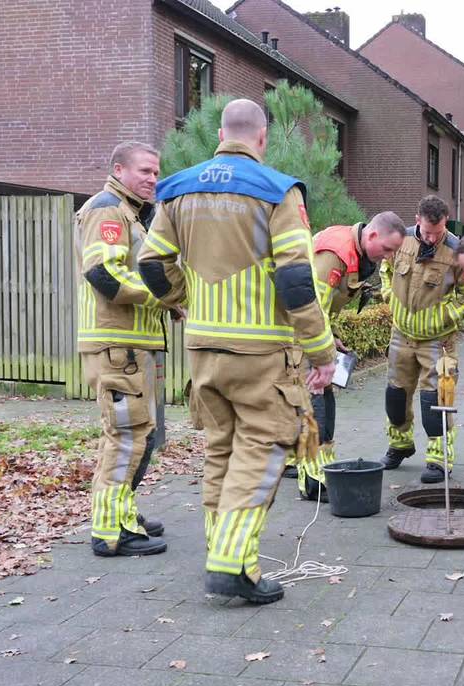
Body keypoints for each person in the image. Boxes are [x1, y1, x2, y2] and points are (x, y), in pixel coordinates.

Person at [137, 99, 336, 604]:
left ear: (221, 133)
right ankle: (231, 564)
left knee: (221, 449)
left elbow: (151, 264)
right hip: (261, 352)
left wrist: (185, 301)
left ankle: (223, 550)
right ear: (262, 137)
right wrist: (321, 351)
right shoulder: (277, 190)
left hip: (203, 349)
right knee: (263, 448)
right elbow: (296, 279)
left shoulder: (177, 189)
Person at [74, 141, 169, 558]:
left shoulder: (129, 212)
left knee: (134, 434)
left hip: (129, 347)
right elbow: (103, 274)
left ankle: (122, 514)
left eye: (156, 172)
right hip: (118, 347)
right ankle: (111, 531)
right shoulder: (108, 209)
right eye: (144, 171)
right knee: (127, 437)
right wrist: (162, 296)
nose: (152, 179)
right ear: (119, 169)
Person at [290, 212, 408, 501]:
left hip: (310, 333)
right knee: (315, 401)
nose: (388, 257)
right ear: (373, 235)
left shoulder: (356, 253)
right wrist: (321, 351)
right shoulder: (336, 253)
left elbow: (324, 308)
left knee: (321, 401)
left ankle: (316, 467)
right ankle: (313, 481)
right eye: (387, 249)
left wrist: (331, 336)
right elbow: (311, 306)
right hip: (297, 335)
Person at [378, 195, 464, 483]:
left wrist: (445, 317)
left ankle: (439, 459)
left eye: (437, 232)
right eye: (426, 232)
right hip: (401, 335)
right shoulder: (401, 241)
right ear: (417, 221)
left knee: (435, 401)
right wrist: (388, 295)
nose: (431, 238)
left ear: (446, 222)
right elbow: (385, 269)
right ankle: (399, 445)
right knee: (396, 396)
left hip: (438, 342)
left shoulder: (457, 252)